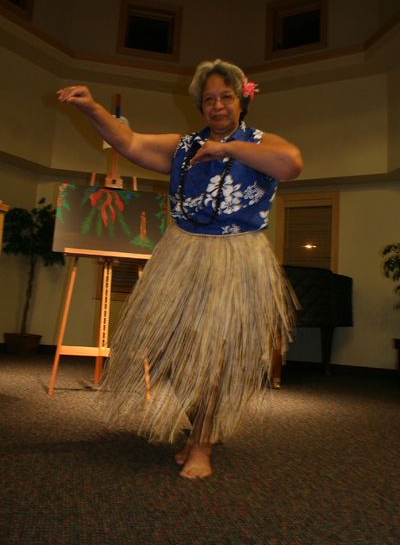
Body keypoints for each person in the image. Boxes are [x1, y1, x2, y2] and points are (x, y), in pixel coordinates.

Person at [57, 59, 303, 480]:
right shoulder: (184, 146)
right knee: (179, 352)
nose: (218, 105)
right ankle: (203, 425)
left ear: (242, 99)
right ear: (199, 105)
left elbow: (291, 164)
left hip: (236, 258)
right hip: (183, 253)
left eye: (226, 96)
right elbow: (130, 143)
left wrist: (227, 149)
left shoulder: (260, 142)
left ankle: (201, 445)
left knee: (216, 357)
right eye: (209, 99)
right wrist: (91, 108)